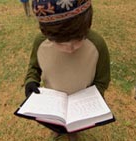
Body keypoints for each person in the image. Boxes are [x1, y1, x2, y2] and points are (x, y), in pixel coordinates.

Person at [23, 0, 110, 140]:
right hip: (53, 103)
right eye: (60, 42)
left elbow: (102, 80)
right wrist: (31, 81)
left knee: (74, 126)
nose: (70, 48)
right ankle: (57, 130)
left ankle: (73, 132)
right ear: (47, 34)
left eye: (78, 39)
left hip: (82, 103)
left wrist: (94, 100)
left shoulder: (97, 44)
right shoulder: (40, 42)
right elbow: (34, 67)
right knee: (55, 123)